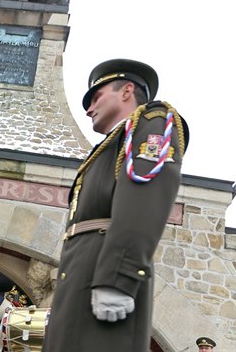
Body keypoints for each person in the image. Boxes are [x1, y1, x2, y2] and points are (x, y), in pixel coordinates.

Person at [42, 59, 189, 352]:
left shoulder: (151, 122)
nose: (88, 108)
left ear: (127, 91)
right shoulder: (107, 148)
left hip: (104, 274)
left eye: (97, 96)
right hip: (83, 276)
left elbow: (144, 196)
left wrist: (118, 277)